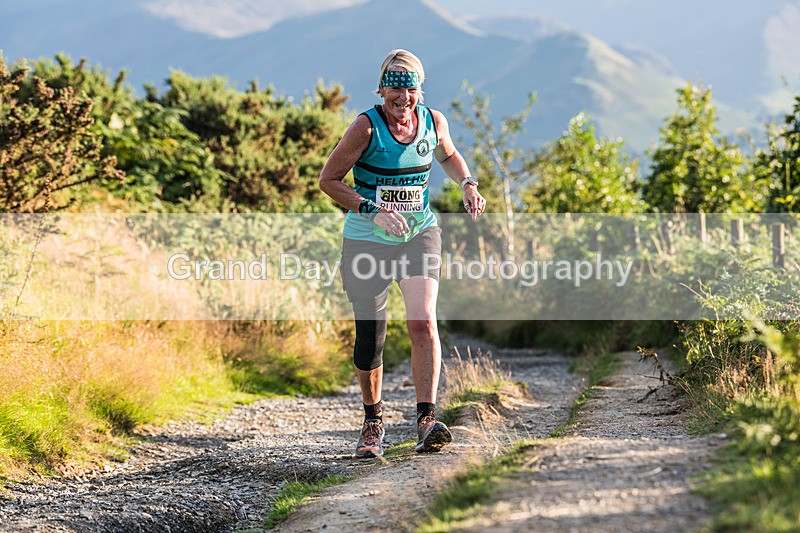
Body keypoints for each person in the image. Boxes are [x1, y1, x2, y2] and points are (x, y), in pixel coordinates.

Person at [319, 49, 486, 458]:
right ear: (382, 89)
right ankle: (373, 419)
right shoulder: (365, 127)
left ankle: (427, 420)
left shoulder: (433, 121)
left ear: (419, 91)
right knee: (370, 338)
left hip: (418, 234)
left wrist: (467, 182)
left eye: (410, 88)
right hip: (367, 239)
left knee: (423, 321)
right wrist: (373, 210)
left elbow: (447, 154)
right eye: (394, 88)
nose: (402, 97)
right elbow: (329, 180)